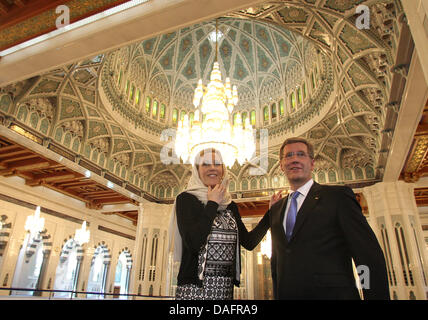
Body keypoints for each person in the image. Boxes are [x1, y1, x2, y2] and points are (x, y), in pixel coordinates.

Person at [258, 137, 390, 300]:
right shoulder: (276, 209)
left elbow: (367, 255)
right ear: (281, 165)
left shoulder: (337, 197)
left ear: (312, 163)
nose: (295, 159)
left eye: (301, 154)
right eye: (289, 155)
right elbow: (277, 264)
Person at [169, 148, 266, 300]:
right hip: (194, 289)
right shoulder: (186, 199)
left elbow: (249, 242)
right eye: (205, 164)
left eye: (217, 164)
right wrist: (212, 203)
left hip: (224, 290)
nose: (212, 168)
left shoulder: (230, 204)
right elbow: (193, 243)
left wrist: (270, 215)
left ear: (223, 169)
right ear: (197, 170)